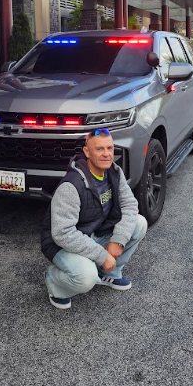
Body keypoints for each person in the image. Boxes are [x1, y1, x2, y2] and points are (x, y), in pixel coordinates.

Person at [41, 128, 147, 309]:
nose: (106, 154)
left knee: (139, 222)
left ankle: (110, 274)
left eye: (110, 148)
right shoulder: (71, 186)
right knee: (86, 277)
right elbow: (62, 233)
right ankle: (55, 282)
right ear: (87, 152)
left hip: (96, 232)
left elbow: (130, 205)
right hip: (62, 243)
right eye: (99, 149)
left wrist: (118, 240)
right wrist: (101, 255)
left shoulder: (114, 171)